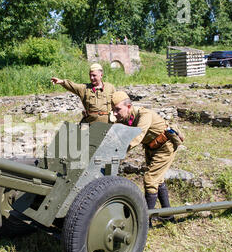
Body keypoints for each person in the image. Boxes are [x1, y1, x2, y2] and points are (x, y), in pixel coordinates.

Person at [111, 91, 184, 226]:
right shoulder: (127, 117)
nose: (115, 113)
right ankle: (168, 215)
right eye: (113, 110)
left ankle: (144, 223)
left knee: (150, 180)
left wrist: (118, 152)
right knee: (158, 179)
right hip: (151, 147)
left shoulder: (145, 115)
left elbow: (138, 136)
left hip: (164, 146)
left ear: (128, 106)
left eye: (117, 109)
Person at [51, 63, 116, 124]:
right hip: (90, 123)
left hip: (107, 124)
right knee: (77, 135)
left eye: (94, 75)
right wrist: (62, 82)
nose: (91, 78)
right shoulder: (84, 88)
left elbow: (118, 104)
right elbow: (73, 86)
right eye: (90, 75)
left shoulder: (110, 87)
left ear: (101, 75)